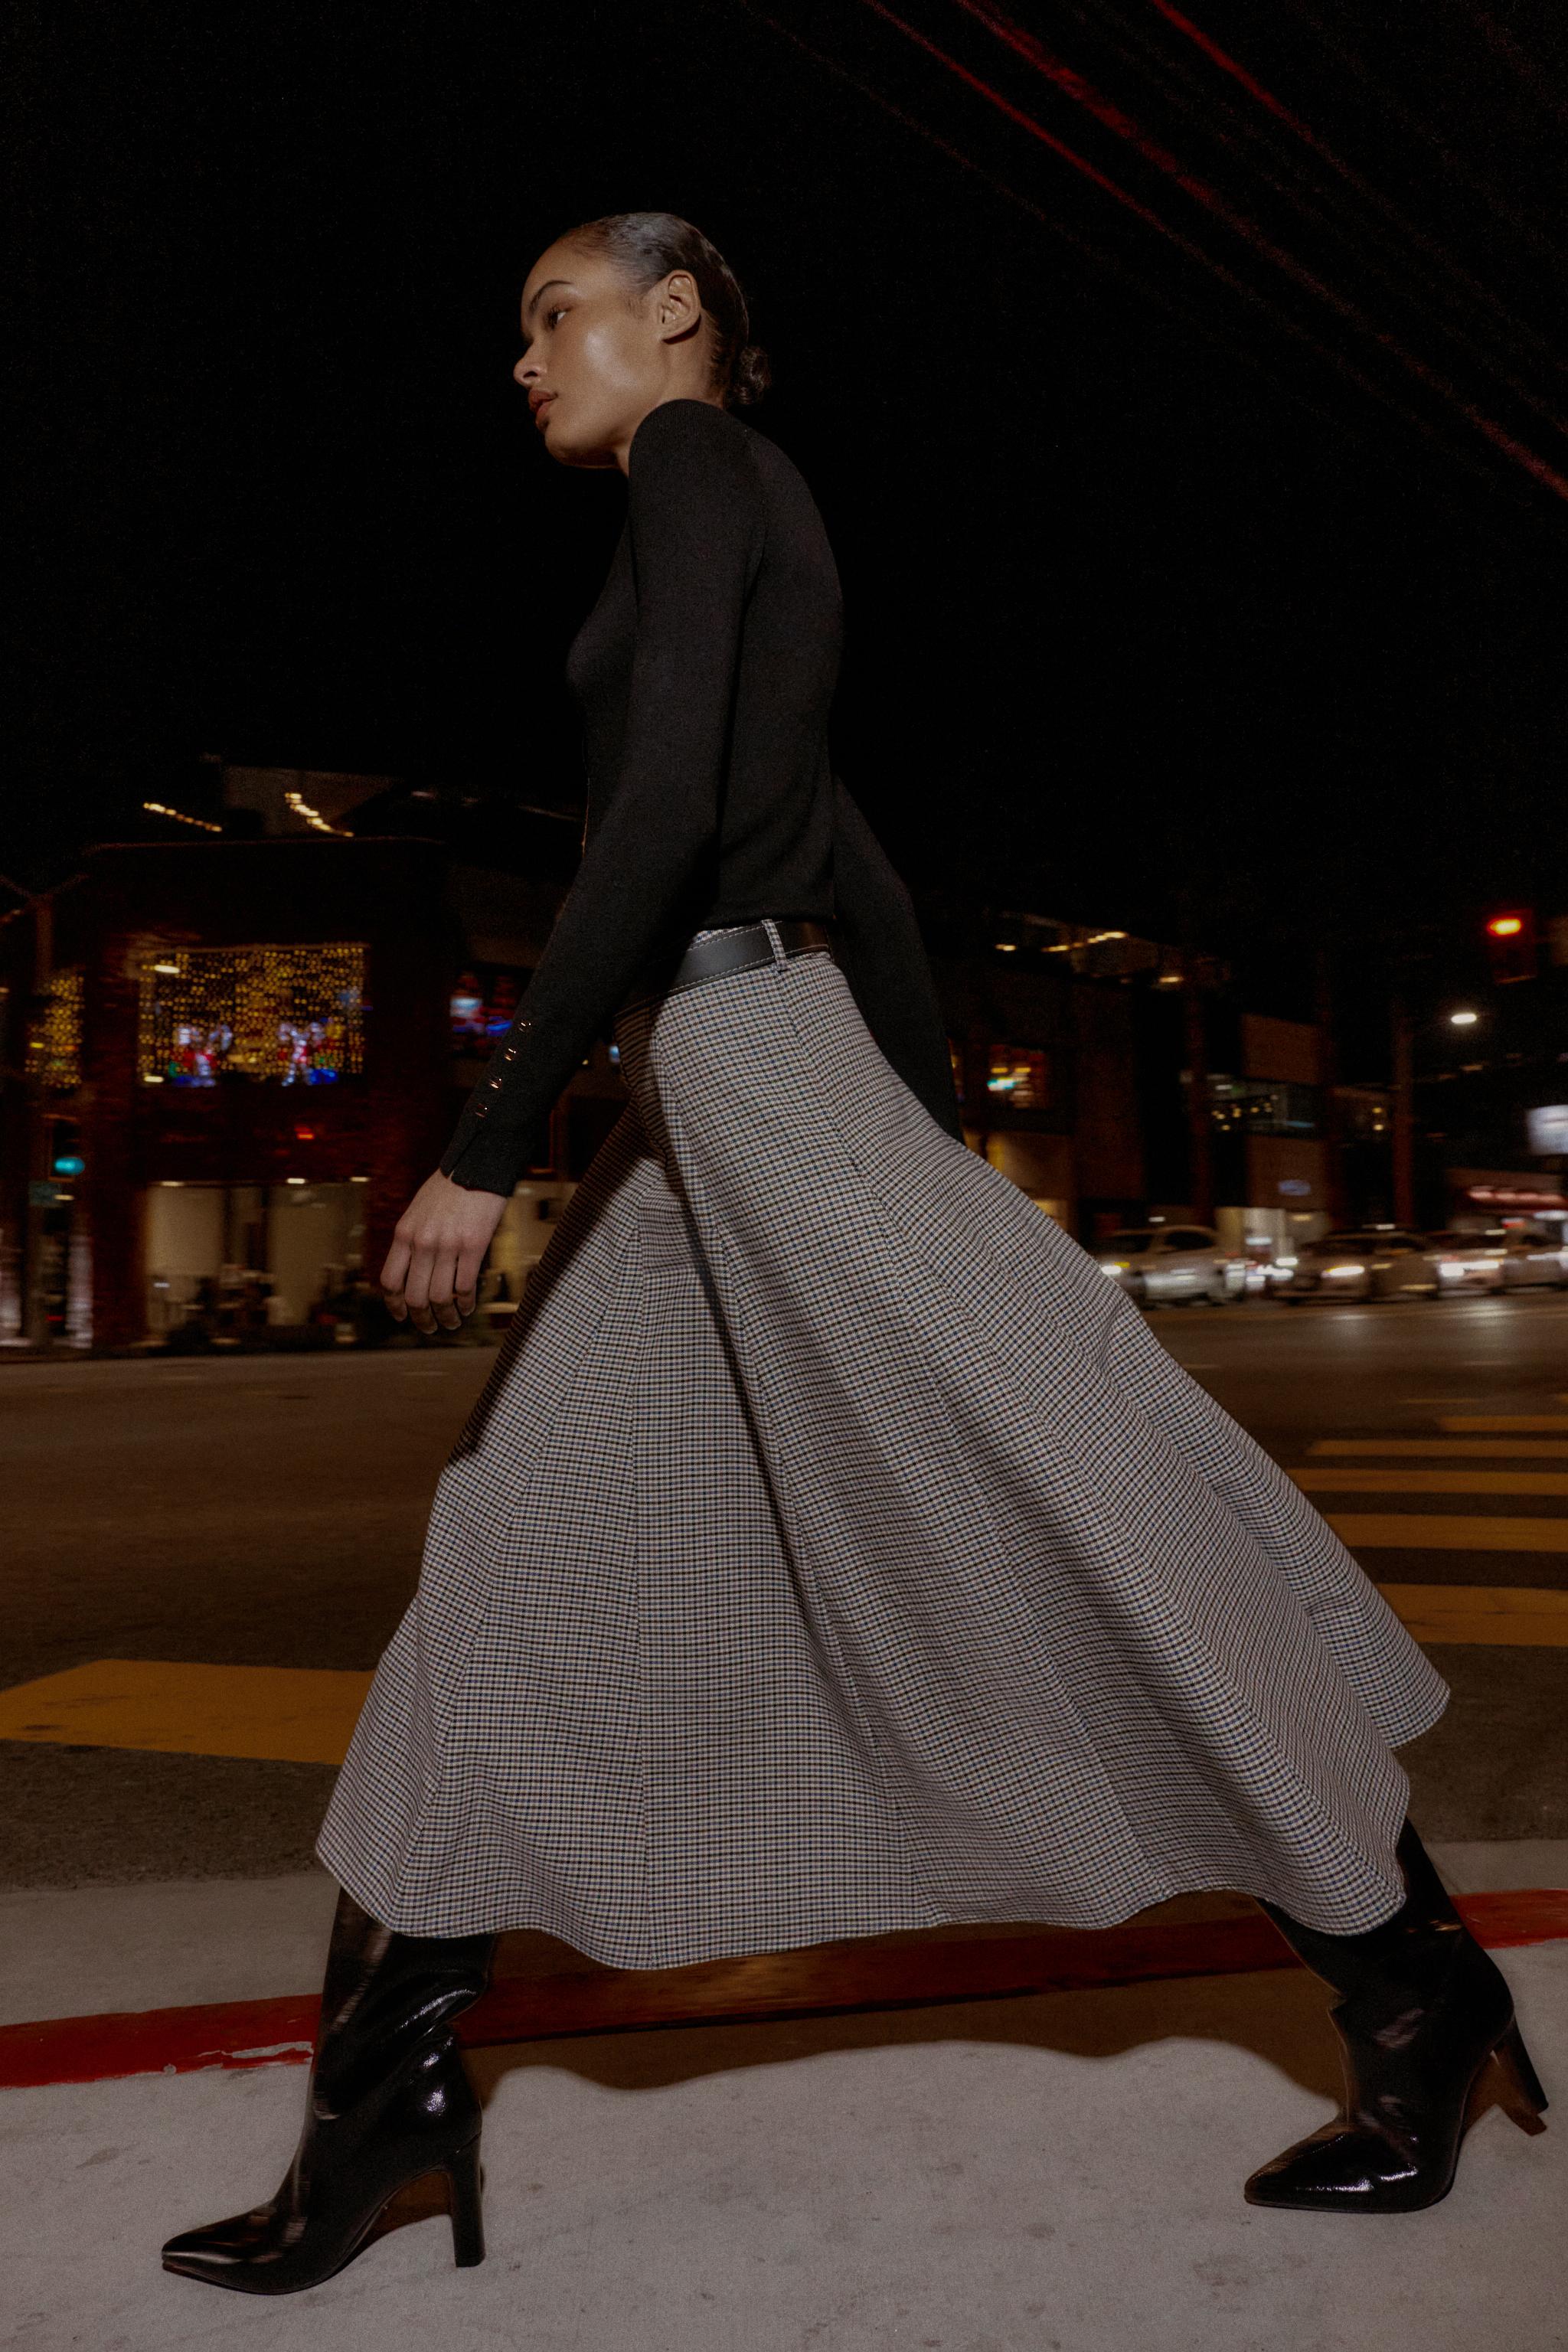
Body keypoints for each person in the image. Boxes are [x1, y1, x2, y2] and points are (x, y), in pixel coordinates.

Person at [160, 211, 1547, 2297]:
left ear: (677, 313)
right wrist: (922, 1123)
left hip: (751, 1070)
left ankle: (1419, 1993)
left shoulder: (699, 461)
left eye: (555, 313)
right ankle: (383, 2104)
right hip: (720, 1089)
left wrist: (493, 1137)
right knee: (514, 1541)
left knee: (1088, 1517)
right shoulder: (726, 509)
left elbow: (666, 823)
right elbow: (856, 858)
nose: (526, 357)